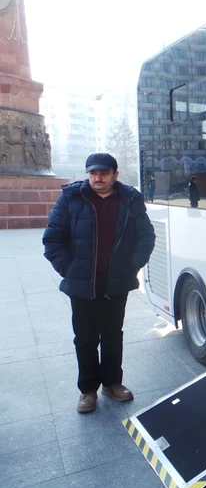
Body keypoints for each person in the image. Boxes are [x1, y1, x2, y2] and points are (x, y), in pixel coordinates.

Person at [42, 153, 156, 413]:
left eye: (103, 173)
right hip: (82, 285)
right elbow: (52, 240)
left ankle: (113, 384)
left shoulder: (130, 199)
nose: (97, 178)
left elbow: (146, 236)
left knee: (113, 335)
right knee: (85, 338)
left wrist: (131, 266)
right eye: (93, 173)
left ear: (115, 174)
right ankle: (88, 390)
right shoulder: (72, 199)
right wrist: (70, 270)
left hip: (115, 284)